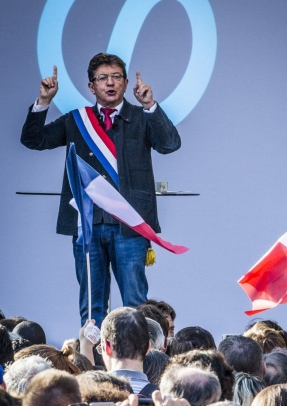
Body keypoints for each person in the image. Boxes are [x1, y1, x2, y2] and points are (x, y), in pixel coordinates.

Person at [21, 53, 181, 326]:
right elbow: (33, 140)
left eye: (116, 77)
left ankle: (137, 364)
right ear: (91, 86)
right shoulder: (76, 121)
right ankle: (93, 363)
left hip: (129, 225)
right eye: (103, 78)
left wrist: (150, 105)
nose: (110, 83)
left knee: (135, 304)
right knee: (92, 305)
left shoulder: (141, 118)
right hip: (88, 224)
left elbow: (170, 144)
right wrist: (44, 101)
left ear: (127, 82)